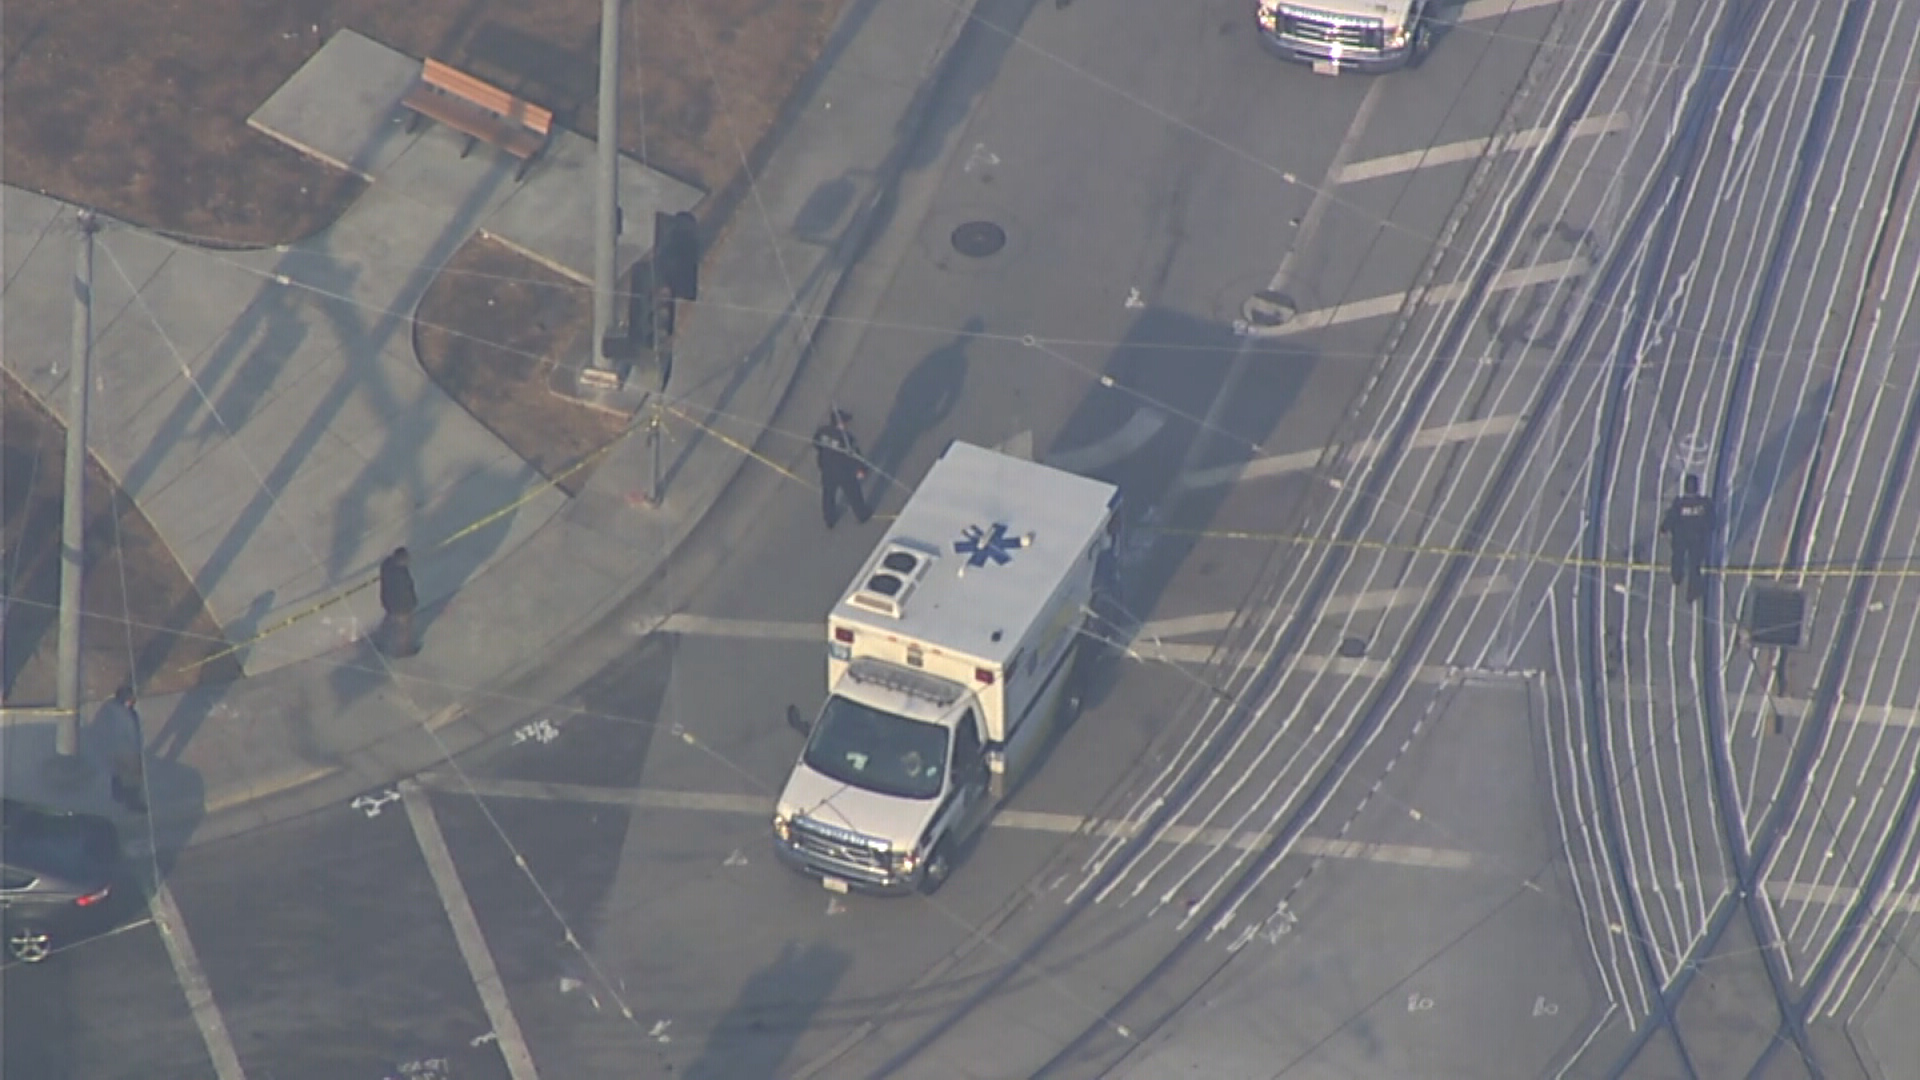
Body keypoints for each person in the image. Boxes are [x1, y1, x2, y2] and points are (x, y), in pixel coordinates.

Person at [1660, 474, 1715, 604]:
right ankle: (1692, 593)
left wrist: (1664, 529)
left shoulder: (1679, 503)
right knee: (1694, 566)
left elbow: (1671, 518)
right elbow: (1712, 521)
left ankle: (1676, 576)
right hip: (1697, 539)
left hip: (1681, 537)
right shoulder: (1705, 504)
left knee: (1677, 556)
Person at [814, 408, 872, 529]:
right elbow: (855, 456)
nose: (847, 425)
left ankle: (829, 519)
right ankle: (862, 514)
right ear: (840, 423)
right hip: (844, 472)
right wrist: (862, 469)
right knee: (854, 493)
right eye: (845, 422)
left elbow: (816, 443)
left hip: (827, 469)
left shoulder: (822, 432)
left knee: (828, 495)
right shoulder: (847, 439)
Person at [100, 685, 146, 813]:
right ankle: (132, 803)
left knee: (118, 775)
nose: (133, 701)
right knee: (132, 781)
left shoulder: (113, 710)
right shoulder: (125, 715)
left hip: (119, 751)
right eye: (131, 699)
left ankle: (118, 796)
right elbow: (130, 734)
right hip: (126, 752)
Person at [379, 547, 420, 657]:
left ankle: (380, 641)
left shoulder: (386, 564)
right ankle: (404, 650)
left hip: (388, 601)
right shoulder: (402, 575)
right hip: (402, 607)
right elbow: (406, 592)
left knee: (388, 621)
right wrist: (412, 603)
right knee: (405, 629)